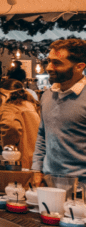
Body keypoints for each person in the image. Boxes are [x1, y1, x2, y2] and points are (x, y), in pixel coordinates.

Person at [33, 39, 86, 180]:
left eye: (57, 63)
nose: (49, 68)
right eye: (49, 61)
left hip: (81, 187)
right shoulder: (48, 95)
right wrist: (37, 170)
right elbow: (42, 135)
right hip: (49, 182)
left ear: (79, 67)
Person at [0, 79, 40, 170]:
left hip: (19, 162)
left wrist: (9, 150)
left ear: (4, 95)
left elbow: (11, 126)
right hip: (36, 160)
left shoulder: (9, 107)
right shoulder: (32, 105)